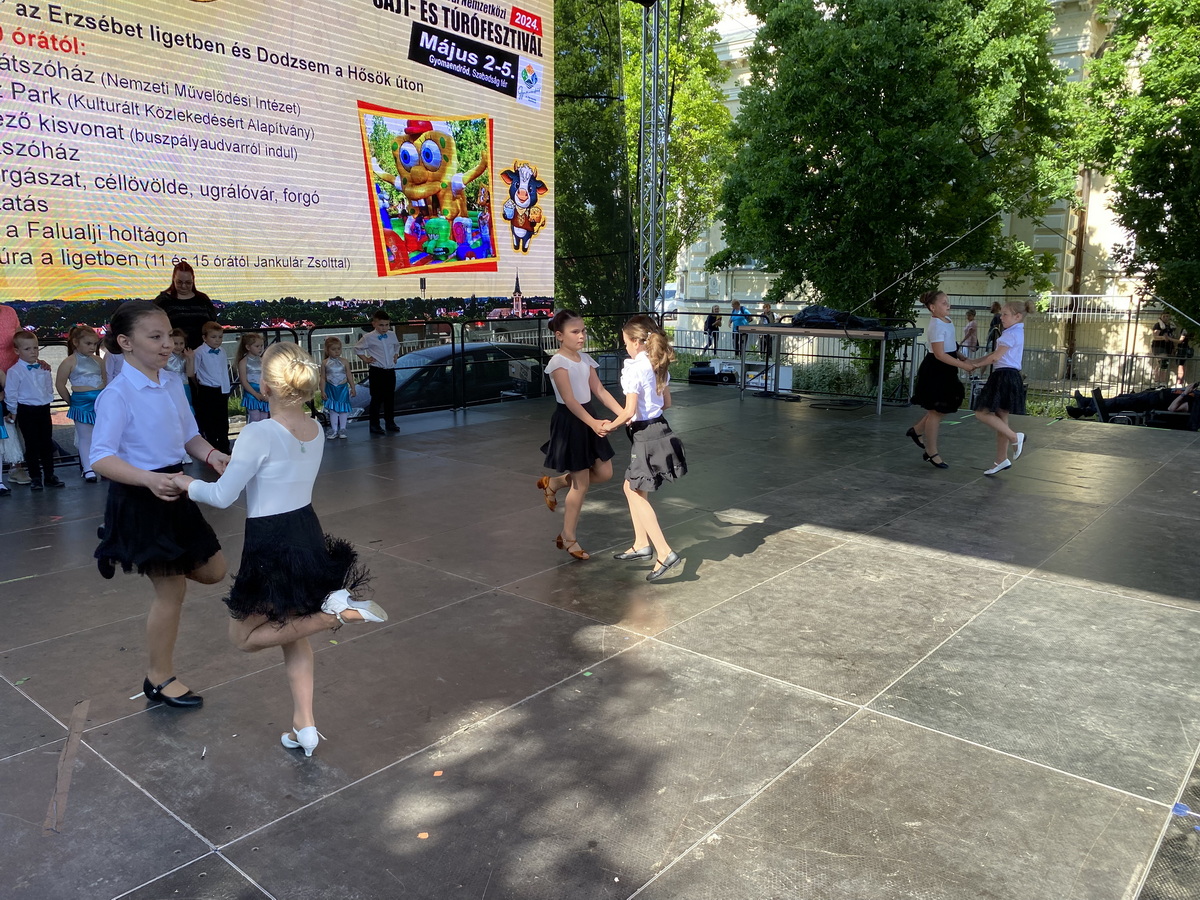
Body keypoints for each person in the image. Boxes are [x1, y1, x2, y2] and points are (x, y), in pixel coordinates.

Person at [173, 343, 386, 757]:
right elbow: (274, 473)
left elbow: (220, 497)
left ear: (264, 387)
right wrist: (237, 464)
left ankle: (335, 615)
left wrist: (186, 484)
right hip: (305, 530)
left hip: (270, 540)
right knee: (292, 632)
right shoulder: (316, 428)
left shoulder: (258, 432)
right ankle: (304, 724)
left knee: (243, 637)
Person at [90, 300, 230, 708]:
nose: (167, 344)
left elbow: (190, 435)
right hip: (141, 495)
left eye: (168, 335)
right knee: (171, 591)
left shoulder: (171, 382)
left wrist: (213, 456)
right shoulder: (117, 395)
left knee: (214, 570)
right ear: (125, 343)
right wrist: (149, 480)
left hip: (175, 488)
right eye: (155, 337)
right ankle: (159, 678)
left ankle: (117, 542)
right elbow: (100, 457)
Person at [601, 315, 688, 582]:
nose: (625, 347)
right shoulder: (657, 364)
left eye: (626, 342)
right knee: (632, 488)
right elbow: (667, 403)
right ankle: (641, 543)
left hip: (646, 436)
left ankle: (664, 551)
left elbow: (628, 411)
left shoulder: (634, 369)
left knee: (635, 491)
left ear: (637, 342)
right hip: (658, 428)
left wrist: (609, 426)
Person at [535, 309, 624, 560]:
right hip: (571, 421)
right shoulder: (557, 363)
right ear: (559, 335)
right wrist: (593, 423)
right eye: (575, 332)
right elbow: (570, 400)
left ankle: (554, 483)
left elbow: (600, 391)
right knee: (581, 484)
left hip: (587, 417)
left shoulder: (585, 359)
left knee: (605, 473)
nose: (582, 335)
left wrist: (625, 414)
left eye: (583, 330)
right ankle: (568, 537)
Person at [907, 291, 974, 469]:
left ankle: (917, 430)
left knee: (943, 407)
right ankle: (931, 451)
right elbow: (939, 354)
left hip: (947, 368)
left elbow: (950, 346)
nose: (948, 305)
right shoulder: (936, 325)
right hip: (936, 370)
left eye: (948, 302)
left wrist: (962, 357)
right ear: (932, 307)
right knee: (936, 412)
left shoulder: (947, 321)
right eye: (944, 303)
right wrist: (963, 365)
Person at [969, 299, 1033, 474]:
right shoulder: (1014, 331)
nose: (1001, 317)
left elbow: (995, 357)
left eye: (1005, 314)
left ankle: (1014, 437)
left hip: (1003, 376)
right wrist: (974, 361)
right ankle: (1001, 459)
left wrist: (975, 365)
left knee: (981, 412)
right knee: (1001, 418)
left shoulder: (1010, 334)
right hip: (1009, 375)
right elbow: (996, 354)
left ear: (1017, 316)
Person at [6, 331, 63, 490]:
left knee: (47, 442)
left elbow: (48, 386)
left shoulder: (43, 368)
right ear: (17, 351)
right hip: (26, 410)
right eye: (27, 349)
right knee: (31, 444)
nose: (33, 352)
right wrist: (13, 411)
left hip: (43, 408)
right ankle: (35, 477)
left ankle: (50, 475)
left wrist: (48, 398)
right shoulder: (15, 371)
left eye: (35, 348)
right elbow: (11, 393)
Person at [55, 325, 107, 483]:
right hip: (81, 402)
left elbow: (105, 380)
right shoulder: (69, 362)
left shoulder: (99, 361)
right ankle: (88, 468)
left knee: (103, 436)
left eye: (95, 344)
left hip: (100, 400)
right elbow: (60, 384)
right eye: (88, 343)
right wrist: (70, 401)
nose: (92, 347)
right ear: (76, 342)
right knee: (85, 437)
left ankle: (105, 466)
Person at [354, 309, 401, 435]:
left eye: (386, 325)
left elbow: (397, 345)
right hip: (377, 371)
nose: (384, 328)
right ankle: (374, 425)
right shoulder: (368, 337)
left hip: (390, 370)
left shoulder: (392, 335)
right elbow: (357, 348)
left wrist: (396, 355)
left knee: (390, 398)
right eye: (381, 325)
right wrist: (365, 359)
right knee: (376, 398)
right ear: (374, 324)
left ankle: (390, 422)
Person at [154, 261, 218, 350]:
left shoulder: (203, 300)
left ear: (193, 280)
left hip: (202, 353)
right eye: (179, 282)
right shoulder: (163, 301)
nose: (183, 286)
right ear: (173, 279)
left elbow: (213, 327)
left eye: (188, 282)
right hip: (173, 353)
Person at [0, 305, 29, 485]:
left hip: (15, 377)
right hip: (2, 381)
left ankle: (16, 467)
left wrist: (33, 360)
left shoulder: (9, 312)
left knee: (15, 422)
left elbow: (21, 341)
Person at [192, 321, 231, 454]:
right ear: (204, 338)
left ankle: (225, 446)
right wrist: (200, 385)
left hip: (221, 389)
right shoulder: (199, 352)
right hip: (207, 390)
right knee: (209, 420)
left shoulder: (222, 351)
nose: (217, 340)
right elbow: (194, 371)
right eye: (213, 337)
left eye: (220, 337)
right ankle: (212, 448)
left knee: (223, 420)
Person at [320, 336, 355, 439]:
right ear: (327, 350)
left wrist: (353, 387)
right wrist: (322, 390)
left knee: (343, 409)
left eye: (339, 349)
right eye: (333, 349)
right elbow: (323, 377)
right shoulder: (325, 362)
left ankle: (343, 429)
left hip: (342, 388)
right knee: (333, 410)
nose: (337, 351)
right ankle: (334, 429)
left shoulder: (344, 361)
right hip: (331, 388)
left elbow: (349, 375)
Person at [236, 332, 270, 423]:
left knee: (264, 417)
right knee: (255, 417)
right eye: (257, 346)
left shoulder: (262, 360)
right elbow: (244, 381)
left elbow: (267, 377)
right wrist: (255, 394)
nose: (260, 348)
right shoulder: (243, 362)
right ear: (248, 347)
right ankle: (253, 431)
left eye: (261, 346)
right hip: (251, 392)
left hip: (263, 391)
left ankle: (263, 432)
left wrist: (266, 392)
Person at [1151, 311, 1180, 387]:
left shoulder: (1170, 326)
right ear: (1161, 316)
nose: (1165, 318)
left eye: (1167, 316)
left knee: (1160, 365)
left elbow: (1172, 336)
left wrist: (1174, 347)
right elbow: (1155, 336)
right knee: (1163, 364)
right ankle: (1161, 382)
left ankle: (1157, 381)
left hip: (1167, 348)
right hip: (1159, 347)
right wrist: (1163, 338)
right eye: (1164, 316)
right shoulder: (1158, 325)